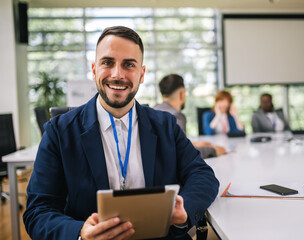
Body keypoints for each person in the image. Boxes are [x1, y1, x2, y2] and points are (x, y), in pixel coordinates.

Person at [23, 26, 219, 240]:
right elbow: (38, 212)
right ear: (94, 69)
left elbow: (203, 176)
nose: (118, 74)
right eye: (107, 62)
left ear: (141, 74)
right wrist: (81, 233)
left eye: (129, 64)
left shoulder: (166, 126)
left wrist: (184, 211)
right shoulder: (59, 132)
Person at [154, 74, 226, 158]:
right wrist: (213, 151)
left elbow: (168, 146)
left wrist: (194, 144)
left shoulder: (154, 111)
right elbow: (182, 154)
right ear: (181, 94)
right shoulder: (176, 116)